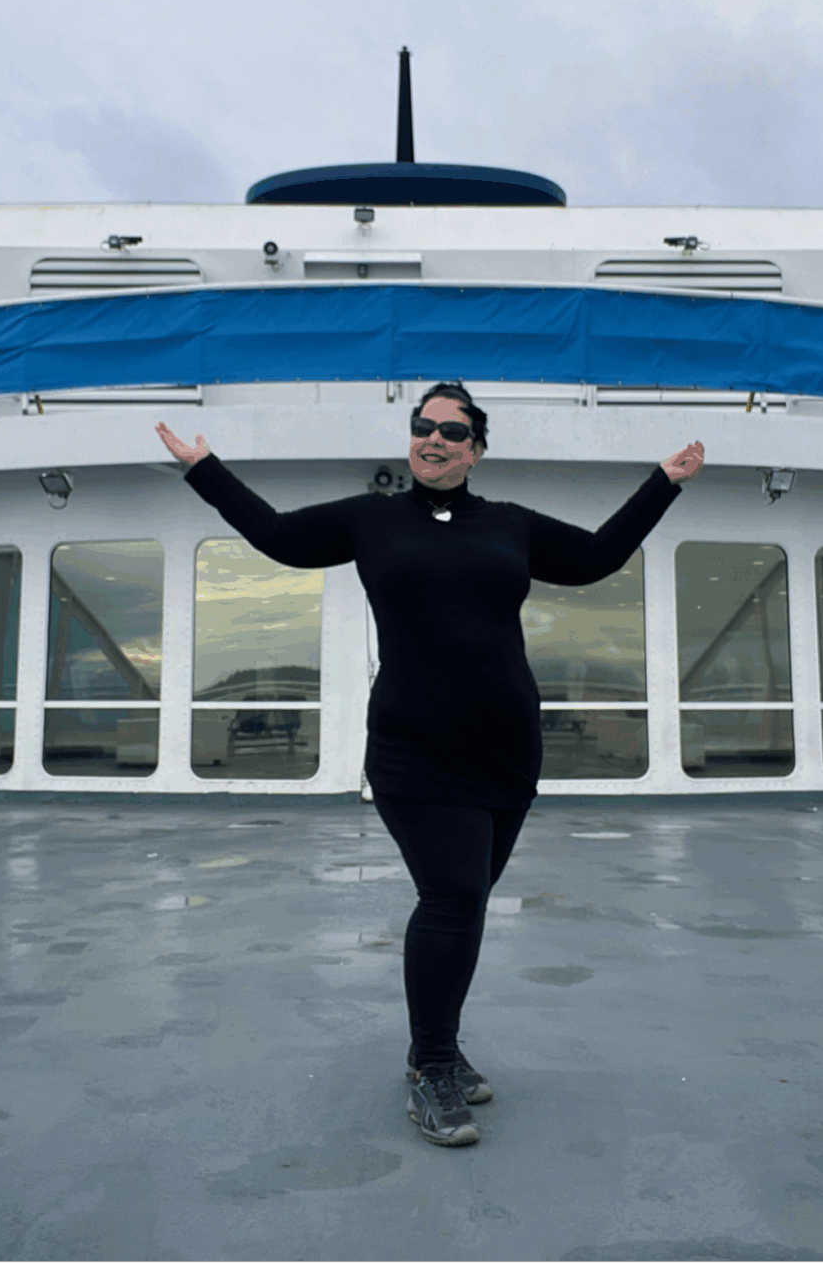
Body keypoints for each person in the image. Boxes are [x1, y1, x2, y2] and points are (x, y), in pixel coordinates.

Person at [157, 384, 701, 1147]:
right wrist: (203, 468)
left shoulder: (511, 526)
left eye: (452, 430)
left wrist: (662, 484)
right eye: (422, 428)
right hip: (416, 749)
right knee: (449, 898)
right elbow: (278, 537)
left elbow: (597, 558)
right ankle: (432, 1069)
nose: (433, 439)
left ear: (477, 448)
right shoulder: (370, 519)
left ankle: (434, 1045)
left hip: (507, 749)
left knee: (468, 902)